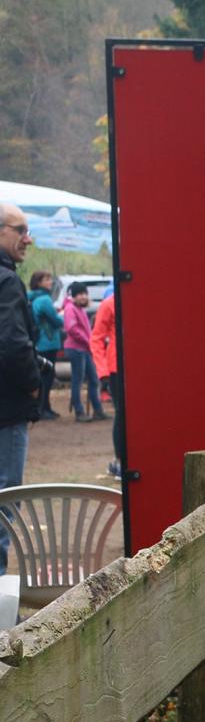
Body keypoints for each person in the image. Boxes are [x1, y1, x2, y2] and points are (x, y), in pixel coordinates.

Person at [0, 203, 37, 571]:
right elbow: (13, 344)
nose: (29, 238)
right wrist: (34, 384)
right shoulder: (7, 281)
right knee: (5, 499)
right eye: (21, 230)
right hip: (7, 409)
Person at [61, 285, 104, 422]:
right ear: (74, 296)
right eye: (80, 294)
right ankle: (79, 412)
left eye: (85, 293)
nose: (83, 296)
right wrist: (88, 341)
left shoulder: (79, 309)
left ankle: (98, 410)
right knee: (78, 380)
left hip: (84, 348)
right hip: (76, 348)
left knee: (93, 379)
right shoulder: (70, 309)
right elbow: (72, 329)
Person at [91, 288, 121, 477]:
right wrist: (103, 373)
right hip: (116, 369)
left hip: (140, 369)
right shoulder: (110, 303)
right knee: (122, 415)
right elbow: (96, 339)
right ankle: (119, 461)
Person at [28, 271, 61, 419]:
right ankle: (44, 408)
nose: (51, 282)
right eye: (47, 279)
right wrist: (61, 318)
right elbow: (56, 321)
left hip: (38, 341)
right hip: (48, 342)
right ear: (39, 282)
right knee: (47, 376)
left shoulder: (32, 297)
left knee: (42, 375)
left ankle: (44, 407)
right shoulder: (45, 299)